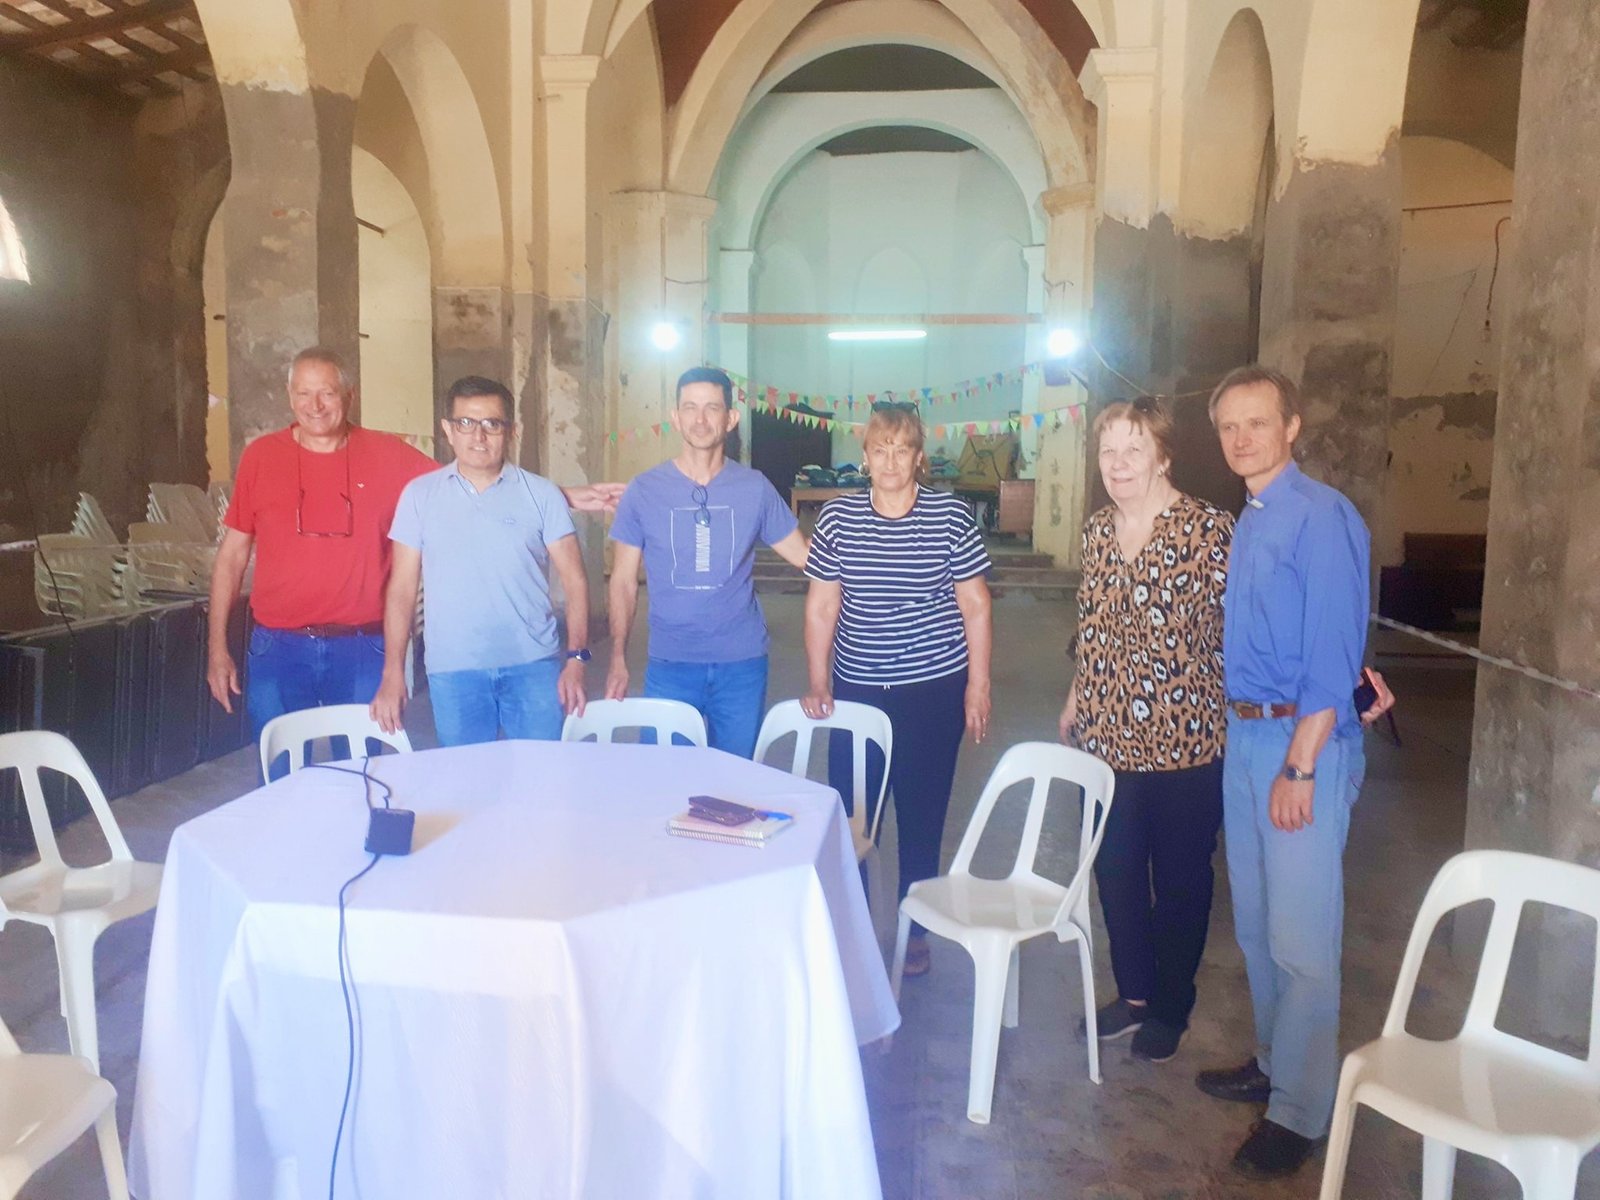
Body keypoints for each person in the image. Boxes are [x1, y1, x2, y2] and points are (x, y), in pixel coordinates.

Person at [207, 347, 621, 744]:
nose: (315, 405)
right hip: (278, 646)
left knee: (365, 773)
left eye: (327, 393)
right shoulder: (261, 457)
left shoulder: (388, 455)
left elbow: (475, 475)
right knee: (278, 766)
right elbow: (232, 558)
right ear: (289, 396)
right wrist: (217, 647)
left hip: (362, 646)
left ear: (349, 397)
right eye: (303, 393)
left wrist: (560, 494)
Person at [1193, 365, 1389, 1180]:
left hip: (1297, 746)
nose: (1242, 439)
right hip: (1246, 740)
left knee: (1304, 940)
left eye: (1258, 423)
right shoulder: (1254, 517)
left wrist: (1301, 767)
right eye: (1230, 426)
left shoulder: (1322, 516)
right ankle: (1275, 1067)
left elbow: (1332, 652)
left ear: (1292, 426)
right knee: (1259, 926)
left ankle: (1302, 1114)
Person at [1059, 397, 1232, 1064]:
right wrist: (1078, 694)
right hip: (1104, 740)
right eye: (1109, 451)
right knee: (1115, 871)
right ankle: (1132, 995)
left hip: (1185, 742)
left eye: (1134, 449)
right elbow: (1095, 627)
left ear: (1163, 455)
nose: (1119, 463)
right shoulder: (1098, 532)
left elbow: (1249, 625)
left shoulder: (1209, 531)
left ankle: (1169, 1003)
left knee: (1182, 878)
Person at [801, 402, 992, 978]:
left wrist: (977, 686)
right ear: (864, 458)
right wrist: (819, 679)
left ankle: (916, 932)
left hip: (933, 690)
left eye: (900, 448)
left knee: (923, 812)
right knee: (855, 818)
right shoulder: (838, 522)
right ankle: (856, 928)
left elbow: (975, 605)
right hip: (859, 692)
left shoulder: (951, 518)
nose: (889, 460)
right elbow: (821, 607)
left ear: (918, 457)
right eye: (879, 449)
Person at [369, 377, 590, 745]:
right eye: (466, 424)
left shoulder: (542, 494)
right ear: (448, 430)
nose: (479, 436)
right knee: (467, 786)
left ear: (511, 431)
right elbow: (401, 590)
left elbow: (576, 581)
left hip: (533, 665)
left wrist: (577, 660)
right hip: (453, 670)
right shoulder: (420, 496)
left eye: (492, 424)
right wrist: (394, 671)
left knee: (544, 781)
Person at [606, 366, 809, 757]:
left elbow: (806, 558)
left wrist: (871, 549)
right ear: (675, 417)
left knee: (732, 785)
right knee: (665, 778)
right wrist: (617, 657)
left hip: (742, 664)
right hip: (670, 662)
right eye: (690, 408)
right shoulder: (644, 490)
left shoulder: (755, 487)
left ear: (730, 419)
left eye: (712, 408)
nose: (700, 419)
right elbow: (623, 581)